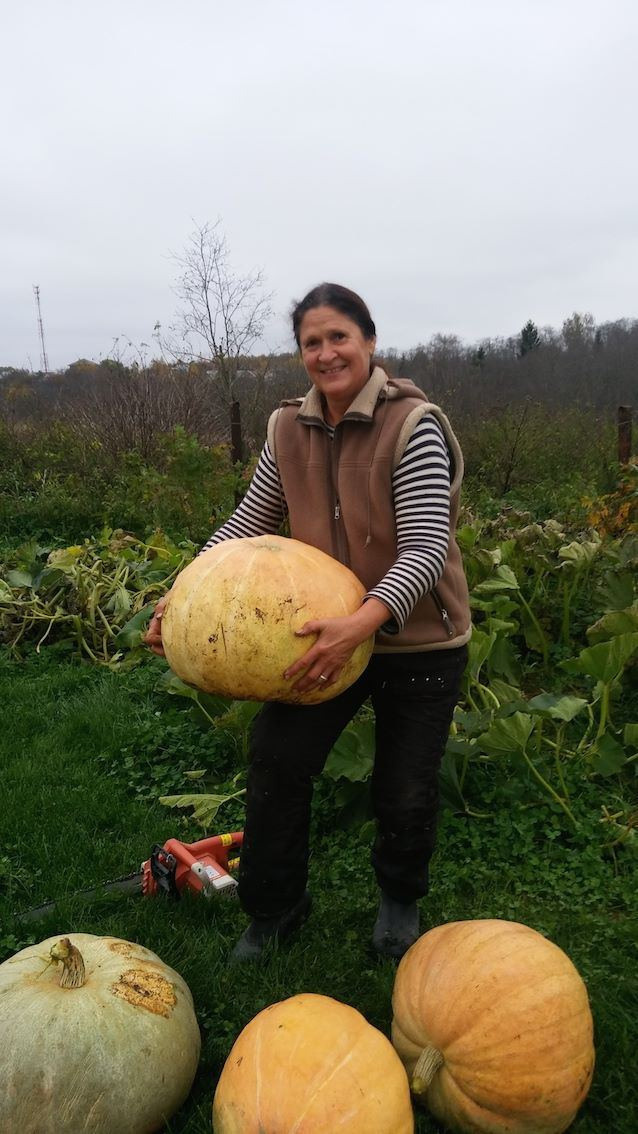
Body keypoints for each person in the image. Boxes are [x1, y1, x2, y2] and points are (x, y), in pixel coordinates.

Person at [146, 283, 471, 962]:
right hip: (321, 634)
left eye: (339, 337)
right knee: (277, 757)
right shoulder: (286, 428)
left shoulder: (413, 425)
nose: (326, 354)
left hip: (418, 638)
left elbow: (424, 547)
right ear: (301, 353)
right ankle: (274, 908)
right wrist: (183, 598)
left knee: (404, 786)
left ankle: (399, 900)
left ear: (370, 341)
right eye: (312, 343)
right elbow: (247, 524)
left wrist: (364, 623)